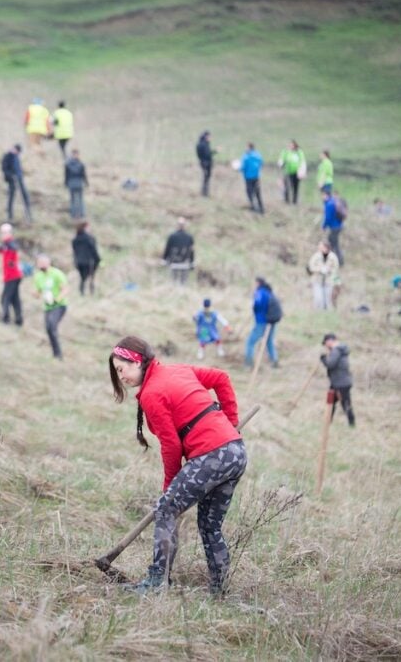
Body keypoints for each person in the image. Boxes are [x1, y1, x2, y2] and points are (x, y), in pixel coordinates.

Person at [109, 336, 247, 595]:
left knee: (165, 509)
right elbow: (221, 377)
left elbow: (171, 445)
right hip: (235, 452)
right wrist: (230, 425)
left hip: (211, 456)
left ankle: (156, 583)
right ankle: (219, 590)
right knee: (209, 524)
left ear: (137, 361)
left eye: (122, 369)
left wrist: (169, 488)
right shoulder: (178, 370)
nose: (121, 377)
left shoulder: (151, 393)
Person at [33, 255, 68, 360]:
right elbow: (37, 292)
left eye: (43, 262)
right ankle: (55, 354)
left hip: (59, 305)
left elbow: (65, 289)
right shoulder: (38, 276)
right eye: (39, 263)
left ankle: (59, 355)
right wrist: (35, 294)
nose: (41, 265)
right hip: (47, 307)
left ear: (48, 262)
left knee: (52, 326)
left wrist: (57, 299)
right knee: (48, 329)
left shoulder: (56, 273)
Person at [320, 333, 355, 427]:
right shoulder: (340, 350)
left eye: (325, 343)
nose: (325, 346)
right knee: (331, 402)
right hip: (337, 382)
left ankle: (352, 424)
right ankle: (327, 422)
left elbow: (330, 364)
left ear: (329, 341)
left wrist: (323, 359)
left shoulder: (336, 350)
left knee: (345, 404)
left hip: (341, 383)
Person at [244, 277, 278, 368]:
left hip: (261, 322)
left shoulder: (260, 293)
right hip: (271, 321)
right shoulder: (268, 292)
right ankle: (274, 361)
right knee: (269, 342)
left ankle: (248, 363)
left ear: (258, 283)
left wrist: (254, 307)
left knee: (250, 342)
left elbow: (258, 304)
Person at [1, 144, 31, 223]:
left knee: (25, 196)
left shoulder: (16, 157)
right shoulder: (7, 156)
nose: (17, 153)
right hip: (12, 180)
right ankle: (10, 216)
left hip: (19, 179)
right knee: (11, 197)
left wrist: (20, 176)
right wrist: (11, 176)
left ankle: (28, 215)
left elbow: (18, 168)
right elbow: (4, 169)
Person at [307, 240, 339, 310]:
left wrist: (329, 270)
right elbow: (310, 267)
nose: (319, 248)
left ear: (326, 247)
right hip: (317, 280)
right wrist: (319, 269)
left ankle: (327, 313)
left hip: (329, 281)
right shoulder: (316, 256)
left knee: (328, 299)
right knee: (318, 298)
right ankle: (318, 312)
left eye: (321, 246)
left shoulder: (333, 257)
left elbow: (336, 269)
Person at [162, 217, 194, 286]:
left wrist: (164, 259)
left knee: (174, 283)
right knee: (183, 284)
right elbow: (191, 251)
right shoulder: (189, 237)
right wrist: (192, 262)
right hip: (184, 264)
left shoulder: (172, 236)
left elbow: (167, 248)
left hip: (175, 263)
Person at [71, 221, 101, 296]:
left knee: (82, 278)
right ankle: (91, 293)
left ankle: (82, 293)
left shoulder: (75, 239)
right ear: (85, 228)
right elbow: (94, 250)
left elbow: (74, 252)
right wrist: (98, 259)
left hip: (78, 262)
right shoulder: (90, 238)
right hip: (88, 261)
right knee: (91, 278)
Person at [63, 149, 89, 219]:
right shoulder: (81, 164)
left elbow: (66, 175)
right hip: (79, 183)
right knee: (80, 199)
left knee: (72, 200)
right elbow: (84, 175)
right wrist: (86, 183)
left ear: (72, 155)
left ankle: (73, 214)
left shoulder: (67, 164)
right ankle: (82, 214)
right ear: (78, 155)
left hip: (71, 183)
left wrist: (65, 183)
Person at [278, 140, 306, 205]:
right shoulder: (285, 151)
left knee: (295, 187)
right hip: (287, 172)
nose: (290, 146)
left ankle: (294, 201)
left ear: (295, 145)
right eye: (290, 145)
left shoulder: (299, 152)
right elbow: (281, 159)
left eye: (292, 145)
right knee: (287, 186)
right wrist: (280, 163)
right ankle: (286, 200)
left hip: (297, 172)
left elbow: (302, 161)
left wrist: (302, 171)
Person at [240, 143, 264, 213]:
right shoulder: (258, 155)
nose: (245, 148)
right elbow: (261, 163)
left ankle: (253, 207)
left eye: (246, 147)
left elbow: (243, 167)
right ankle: (261, 208)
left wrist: (238, 168)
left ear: (249, 148)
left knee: (249, 192)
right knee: (257, 192)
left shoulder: (246, 156)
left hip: (248, 177)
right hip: (256, 177)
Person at [321, 189, 344, 265]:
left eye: (323, 195)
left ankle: (337, 261)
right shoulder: (333, 202)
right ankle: (337, 261)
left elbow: (328, 218)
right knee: (334, 244)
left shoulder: (329, 204)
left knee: (332, 244)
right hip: (338, 226)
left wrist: (323, 226)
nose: (322, 197)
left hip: (335, 227)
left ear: (327, 195)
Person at [196, 131, 216, 197]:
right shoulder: (204, 144)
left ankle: (204, 192)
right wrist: (215, 151)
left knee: (205, 177)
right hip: (206, 163)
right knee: (206, 178)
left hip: (203, 163)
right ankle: (205, 193)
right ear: (206, 136)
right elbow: (207, 154)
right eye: (209, 136)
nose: (210, 138)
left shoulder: (200, 144)